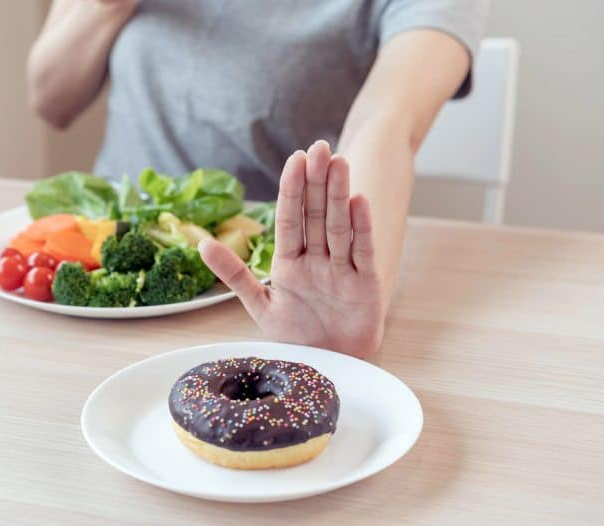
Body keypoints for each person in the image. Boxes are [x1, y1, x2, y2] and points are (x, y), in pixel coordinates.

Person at [27, 0, 489, 358]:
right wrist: (105, 7)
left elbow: (386, 124)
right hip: (95, 265)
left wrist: (343, 298)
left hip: (259, 298)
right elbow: (50, 102)